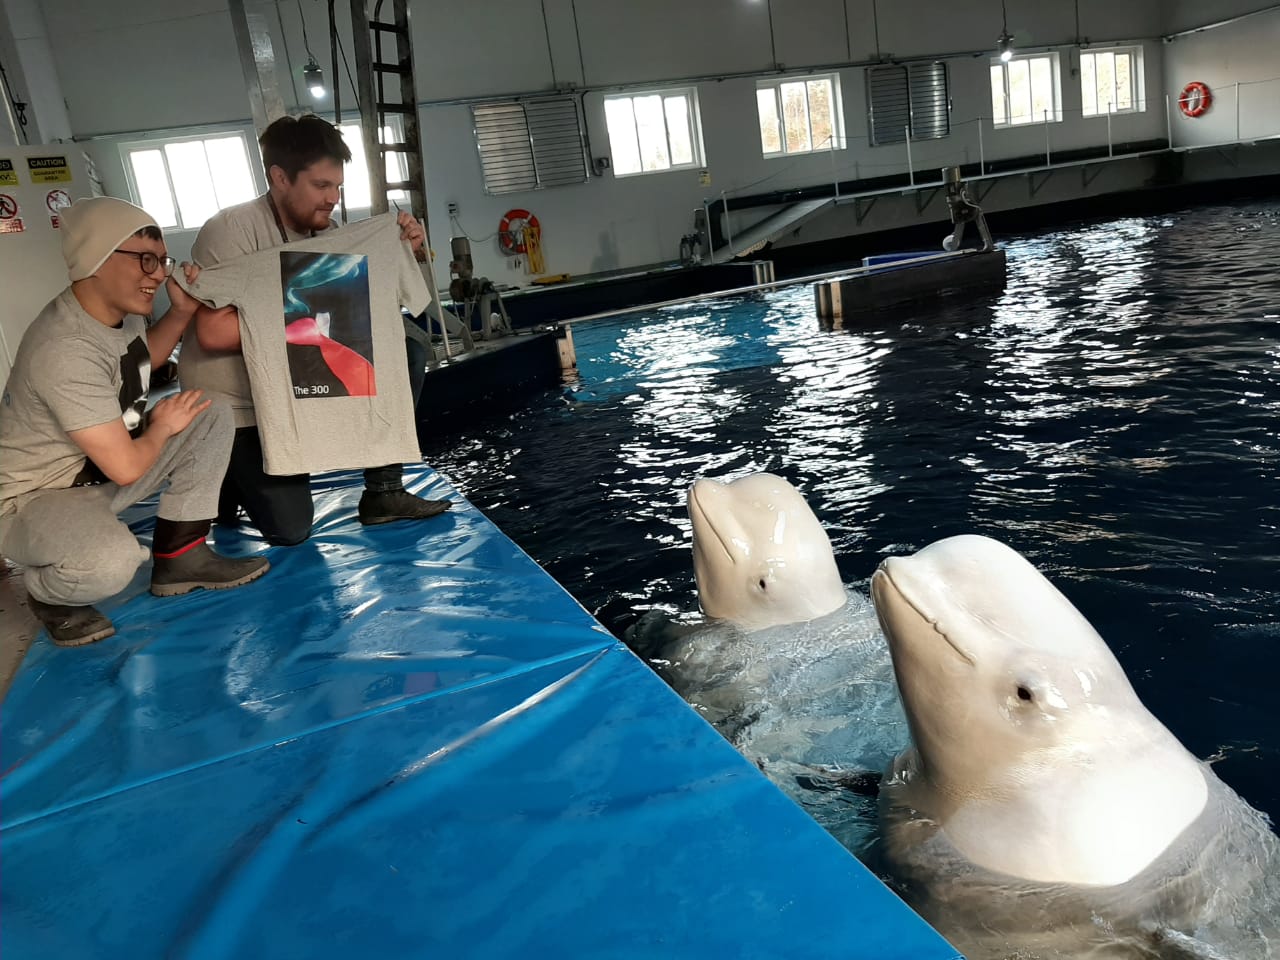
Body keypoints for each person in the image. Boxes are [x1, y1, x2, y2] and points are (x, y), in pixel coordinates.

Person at [0, 197, 271, 647]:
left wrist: (181, 312)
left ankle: (181, 555)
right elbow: (126, 468)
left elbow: (142, 362)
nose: (159, 273)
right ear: (95, 259)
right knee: (108, 563)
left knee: (210, 414)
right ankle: (47, 592)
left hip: (94, 478)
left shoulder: (109, 315)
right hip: (35, 500)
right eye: (145, 259)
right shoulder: (64, 349)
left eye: (162, 260)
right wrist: (160, 427)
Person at [180, 114, 448, 546]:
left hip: (291, 379)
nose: (332, 199)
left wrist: (404, 252)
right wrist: (316, 322)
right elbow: (213, 335)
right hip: (238, 402)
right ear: (280, 178)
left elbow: (368, 315)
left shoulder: (331, 236)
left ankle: (384, 491)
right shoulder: (231, 231)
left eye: (338, 187)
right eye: (321, 187)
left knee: (407, 344)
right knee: (291, 531)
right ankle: (227, 475)